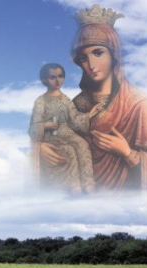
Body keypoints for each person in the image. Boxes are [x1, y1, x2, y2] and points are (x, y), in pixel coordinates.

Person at [37, 4, 147, 192]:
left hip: (126, 212)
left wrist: (127, 153)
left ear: (114, 55)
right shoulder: (75, 104)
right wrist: (42, 151)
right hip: (78, 207)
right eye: (83, 58)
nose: (91, 64)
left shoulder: (143, 106)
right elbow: (54, 135)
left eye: (98, 53)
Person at [30, 63, 100, 194]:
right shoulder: (41, 101)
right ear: (44, 80)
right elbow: (34, 126)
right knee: (70, 151)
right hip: (51, 135)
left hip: (67, 133)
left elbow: (74, 119)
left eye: (60, 76)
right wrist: (45, 125)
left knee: (82, 145)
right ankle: (74, 187)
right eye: (52, 77)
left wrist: (89, 115)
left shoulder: (65, 99)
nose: (57, 81)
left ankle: (88, 184)